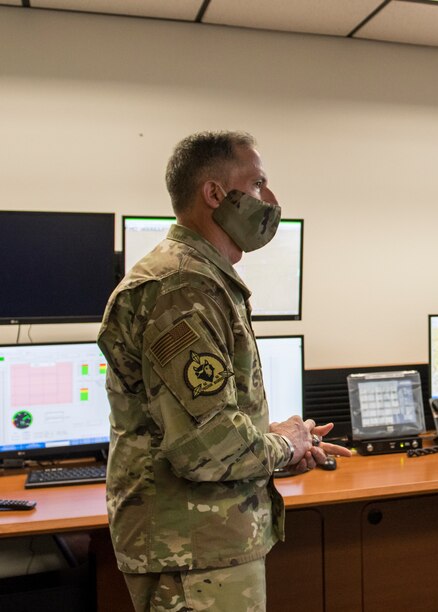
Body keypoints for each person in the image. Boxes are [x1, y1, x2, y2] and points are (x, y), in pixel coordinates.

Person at [98, 131, 350, 611]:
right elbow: (205, 448)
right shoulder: (179, 287)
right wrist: (285, 446)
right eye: (257, 184)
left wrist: (274, 436)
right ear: (214, 193)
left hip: (204, 544)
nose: (270, 200)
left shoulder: (201, 278)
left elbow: (200, 421)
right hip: (191, 551)